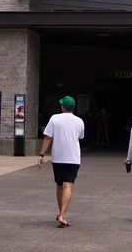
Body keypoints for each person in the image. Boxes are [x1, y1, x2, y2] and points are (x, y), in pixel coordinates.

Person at [38, 96, 84, 228]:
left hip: (57, 158)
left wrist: (41, 154)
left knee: (59, 186)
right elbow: (80, 136)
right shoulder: (79, 121)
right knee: (67, 186)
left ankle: (61, 213)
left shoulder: (54, 118)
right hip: (73, 158)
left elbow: (48, 137)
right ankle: (62, 215)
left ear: (63, 107)